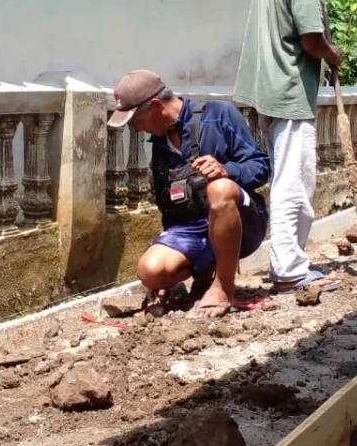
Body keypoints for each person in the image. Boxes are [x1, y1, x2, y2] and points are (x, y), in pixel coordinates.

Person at [233, 0, 357, 294]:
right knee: (295, 181)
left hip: (264, 87)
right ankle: (289, 268)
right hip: (289, 90)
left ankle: (288, 262)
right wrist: (333, 53)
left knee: (288, 177)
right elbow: (310, 40)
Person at [108, 70, 271, 318]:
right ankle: (204, 271)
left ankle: (223, 289)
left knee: (220, 188)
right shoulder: (160, 147)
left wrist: (227, 169)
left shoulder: (218, 115)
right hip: (195, 228)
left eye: (135, 119)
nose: (137, 128)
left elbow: (262, 167)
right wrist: (164, 278)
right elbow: (170, 210)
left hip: (245, 220)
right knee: (150, 272)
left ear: (154, 106)